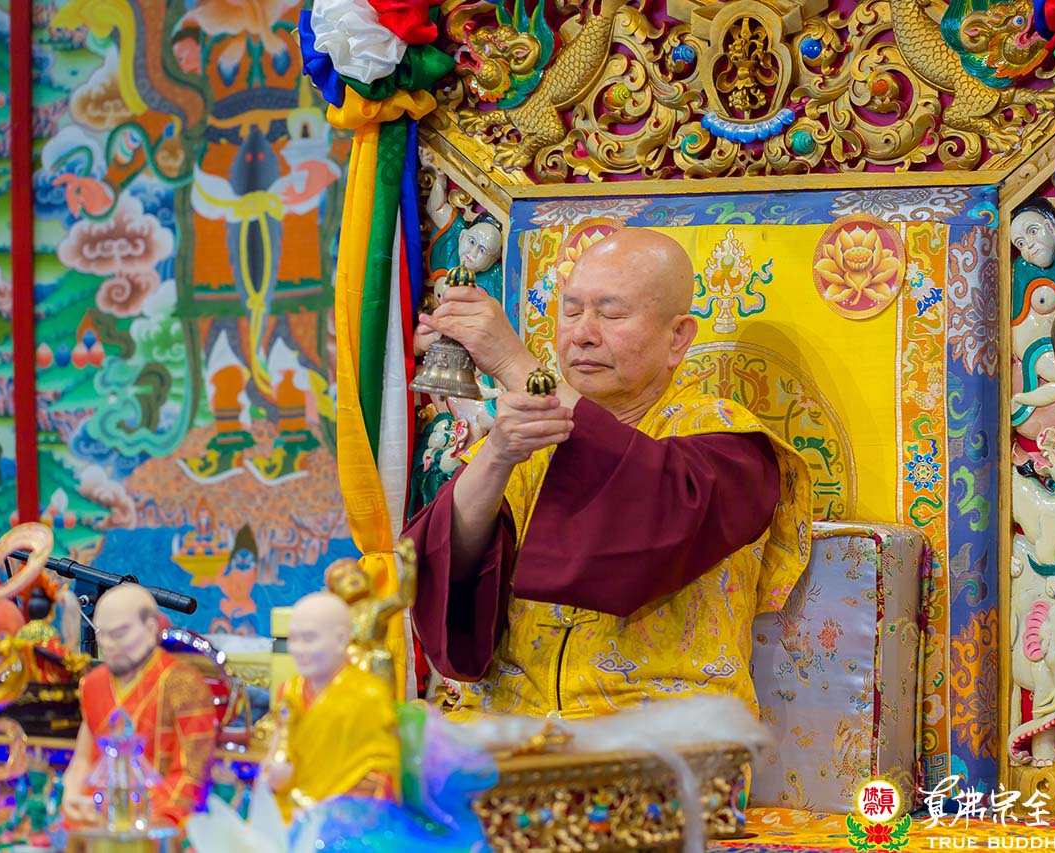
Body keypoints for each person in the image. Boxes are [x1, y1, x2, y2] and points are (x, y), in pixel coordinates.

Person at [405, 228, 812, 720]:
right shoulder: (531, 432)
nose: (582, 333)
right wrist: (497, 456)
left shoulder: (729, 444)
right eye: (571, 311)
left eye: (611, 314)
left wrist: (514, 363)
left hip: (660, 739)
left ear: (678, 337)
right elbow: (448, 566)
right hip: (509, 730)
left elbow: (651, 516)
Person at [61, 584, 217, 828]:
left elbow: (192, 775)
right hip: (100, 810)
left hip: (158, 813)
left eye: (120, 633)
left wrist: (137, 812)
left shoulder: (183, 684)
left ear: (150, 628)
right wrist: (72, 793)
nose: (109, 644)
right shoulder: (93, 684)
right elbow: (83, 759)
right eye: (102, 633)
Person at [262, 591, 401, 822]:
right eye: (293, 638)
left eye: (309, 638)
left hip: (345, 817)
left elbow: (381, 774)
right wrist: (272, 776)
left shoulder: (369, 695)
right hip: (292, 809)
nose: (298, 649)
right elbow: (277, 752)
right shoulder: (289, 691)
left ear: (341, 640)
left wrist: (331, 811)